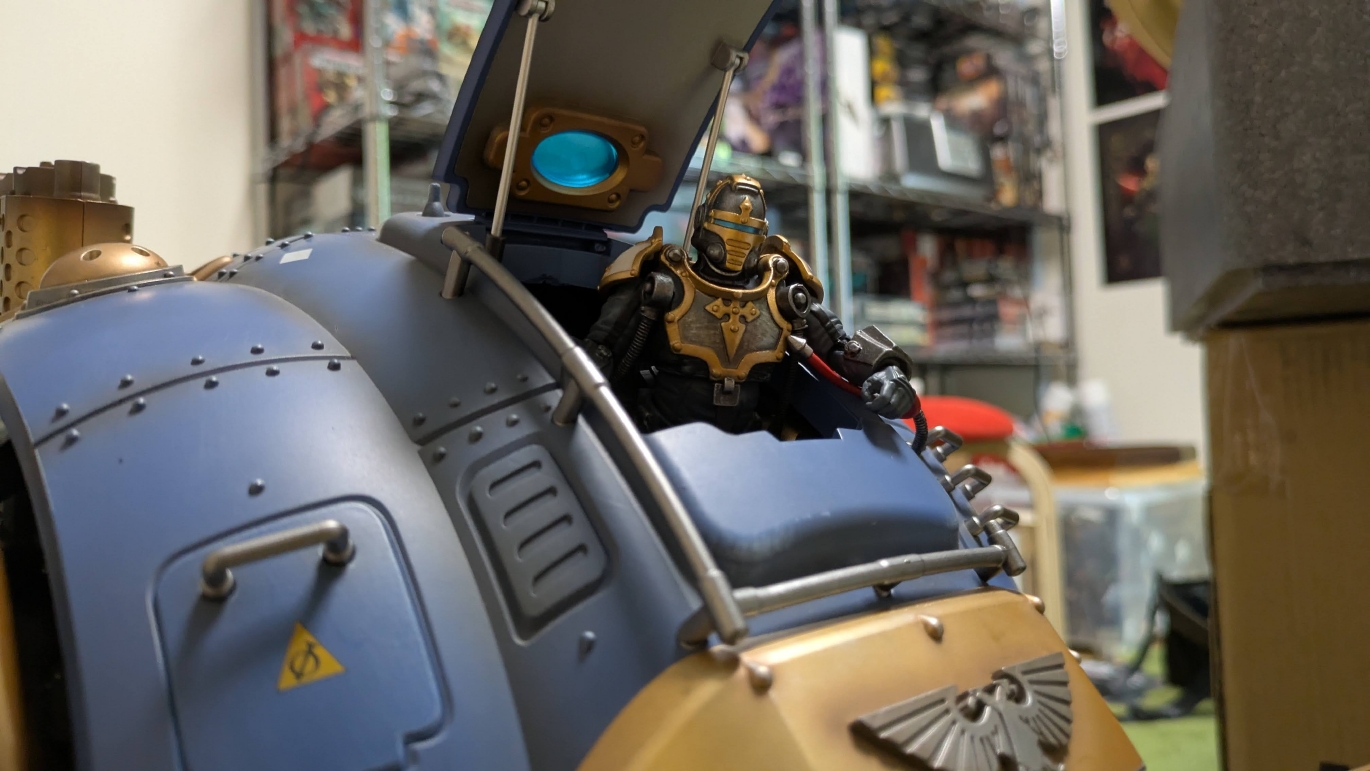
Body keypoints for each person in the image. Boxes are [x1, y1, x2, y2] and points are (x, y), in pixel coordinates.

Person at [586, 173, 917, 434]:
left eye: (749, 229)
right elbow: (599, 355)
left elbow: (844, 351)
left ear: (763, 235)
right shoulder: (663, 284)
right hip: (661, 442)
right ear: (703, 221)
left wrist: (888, 372)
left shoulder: (781, 296)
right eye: (728, 224)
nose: (737, 239)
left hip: (751, 448)